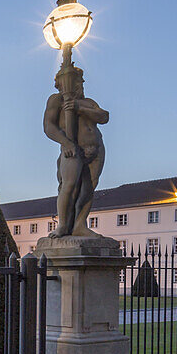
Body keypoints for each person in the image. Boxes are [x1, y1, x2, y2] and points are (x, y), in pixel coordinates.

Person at [43, 63, 108, 237]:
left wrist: (79, 107)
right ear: (61, 85)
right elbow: (49, 127)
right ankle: (63, 225)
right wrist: (65, 142)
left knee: (89, 188)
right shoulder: (56, 100)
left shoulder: (87, 102)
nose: (78, 86)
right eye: (73, 82)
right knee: (69, 186)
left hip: (96, 149)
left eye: (80, 82)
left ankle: (80, 225)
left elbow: (104, 117)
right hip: (72, 148)